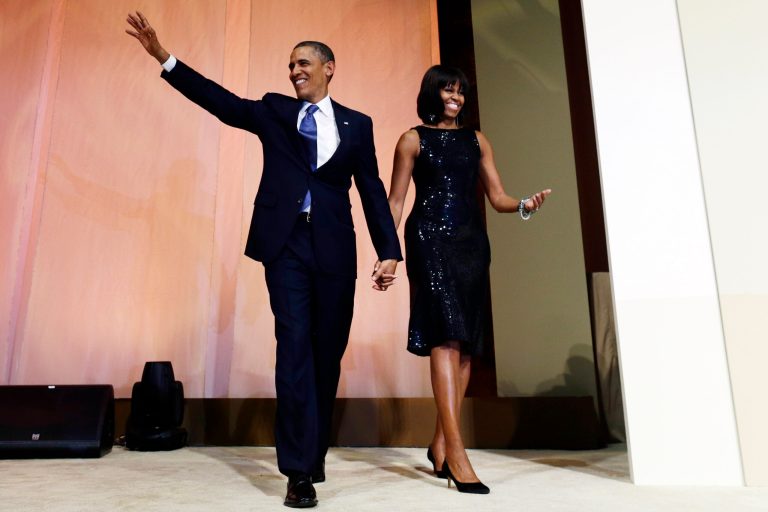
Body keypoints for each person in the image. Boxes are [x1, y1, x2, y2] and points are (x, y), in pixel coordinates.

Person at [126, 12, 401, 508]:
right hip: (286, 246)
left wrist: (389, 251)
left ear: (328, 68)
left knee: (325, 355)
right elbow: (222, 103)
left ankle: (312, 458)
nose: (294, 71)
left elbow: (373, 192)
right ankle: (297, 472)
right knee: (294, 347)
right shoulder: (275, 111)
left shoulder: (357, 126)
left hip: (336, 250)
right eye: (290, 64)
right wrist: (164, 58)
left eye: (303, 63)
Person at [383, 65, 551, 494]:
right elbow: (396, 200)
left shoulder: (477, 140)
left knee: (465, 349)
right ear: (433, 94)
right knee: (445, 338)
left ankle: (440, 443)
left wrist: (525, 205)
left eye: (460, 91)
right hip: (429, 242)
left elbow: (497, 197)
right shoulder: (412, 139)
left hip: (472, 245)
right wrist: (389, 254)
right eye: (447, 91)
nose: (455, 98)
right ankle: (458, 453)